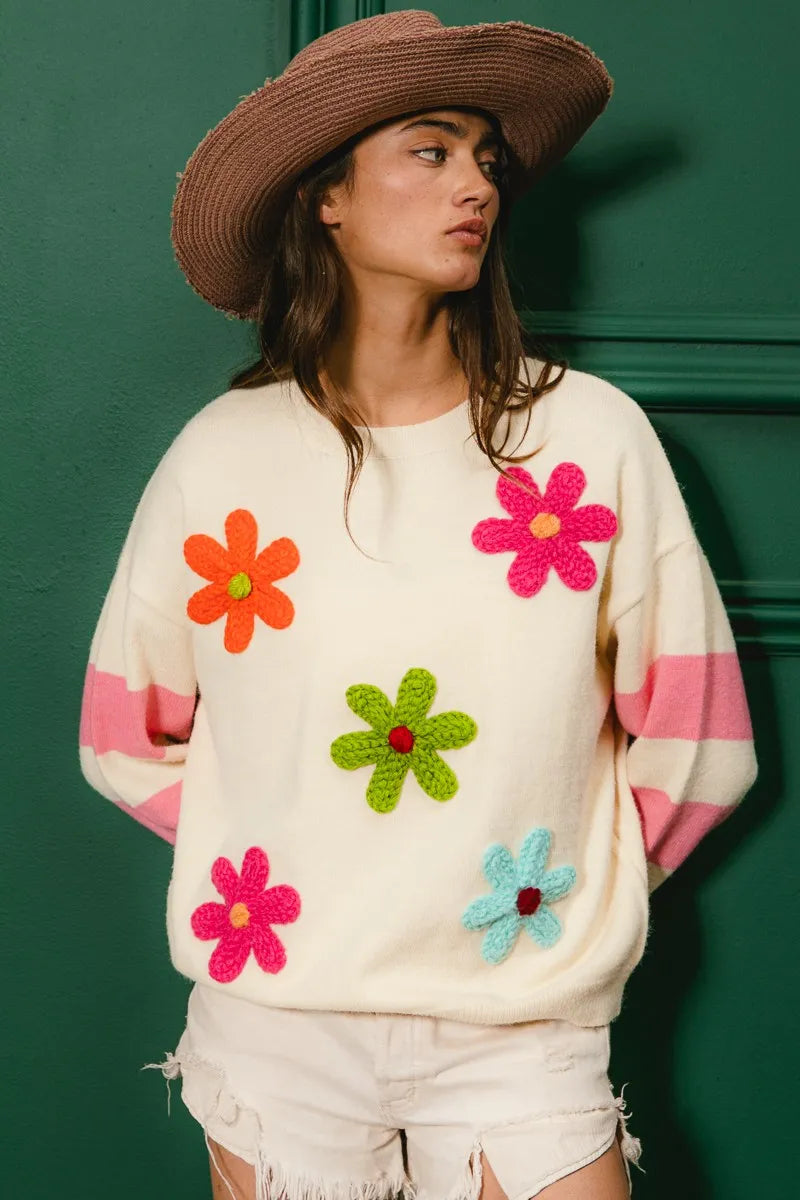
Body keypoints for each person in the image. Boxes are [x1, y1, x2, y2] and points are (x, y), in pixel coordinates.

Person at [78, 11, 759, 1200]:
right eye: (430, 151)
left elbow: (699, 738)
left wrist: (555, 902)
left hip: (519, 1023)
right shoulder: (221, 458)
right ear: (325, 197)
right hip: (279, 1023)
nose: (476, 188)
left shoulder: (586, 442)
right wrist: (317, 863)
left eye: (487, 160)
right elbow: (122, 734)